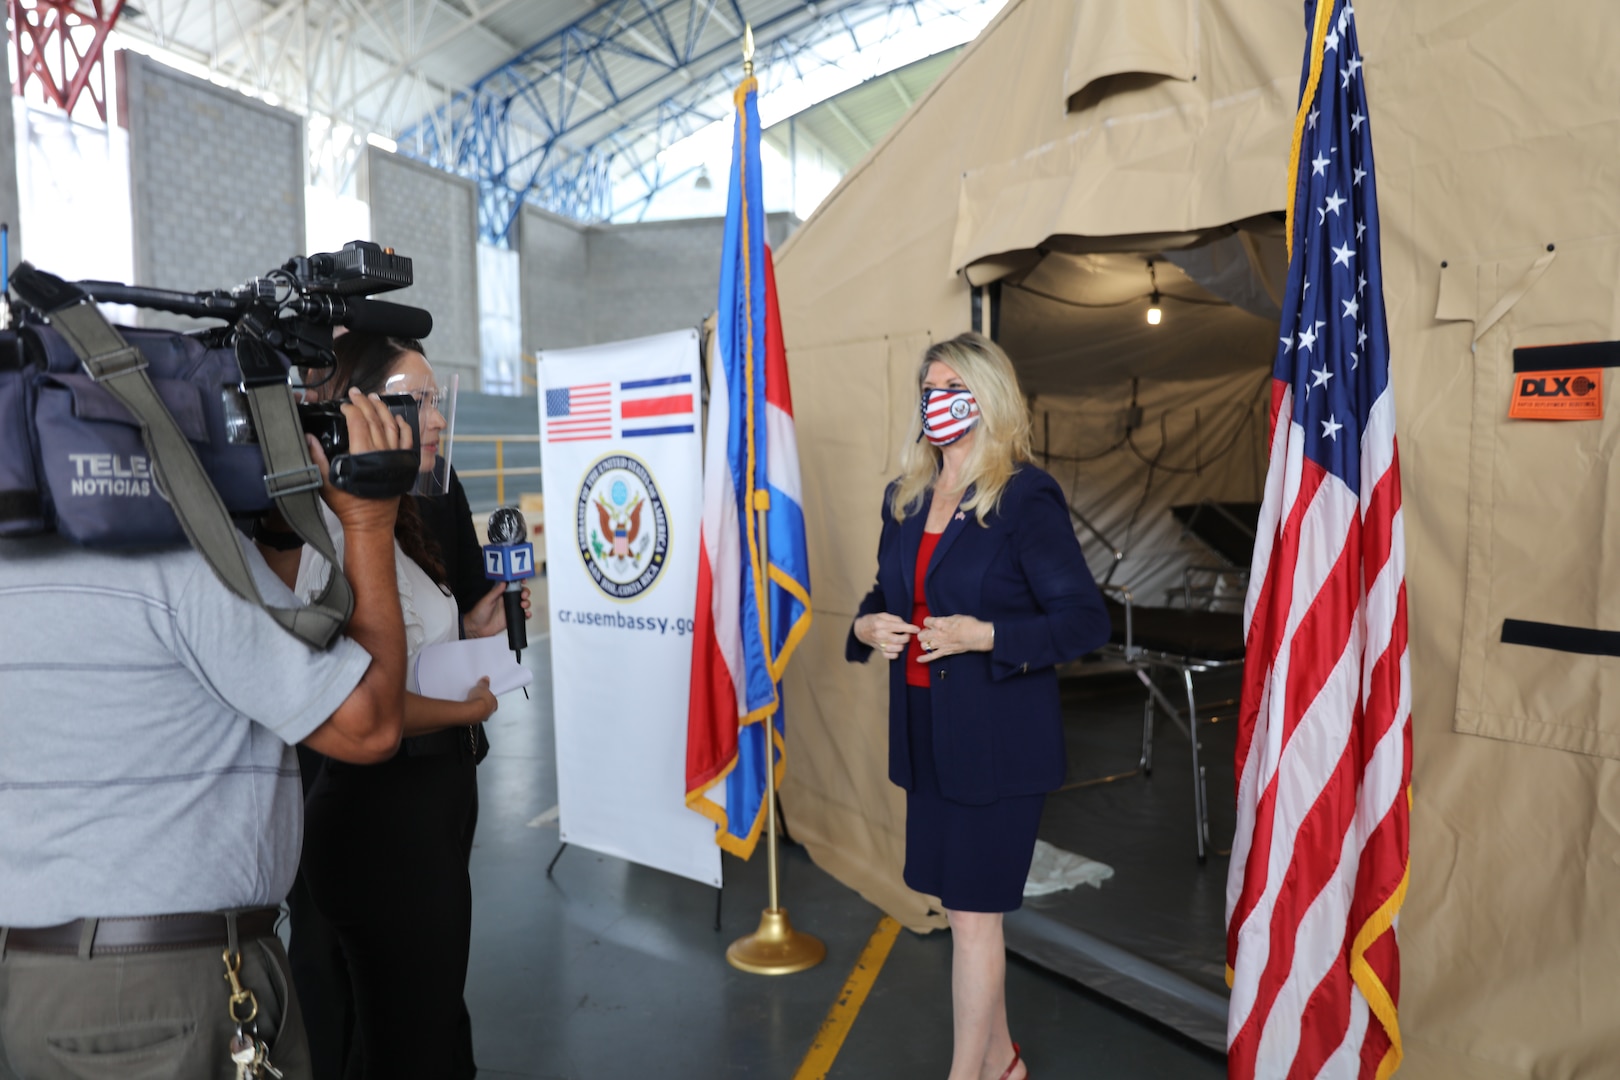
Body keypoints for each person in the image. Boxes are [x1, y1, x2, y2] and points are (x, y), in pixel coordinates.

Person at [0, 389, 413, 1077]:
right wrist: (369, 523)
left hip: (31, 981)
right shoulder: (176, 561)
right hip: (168, 996)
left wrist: (275, 537)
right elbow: (367, 727)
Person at [847, 332, 1109, 1080]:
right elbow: (881, 595)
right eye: (929, 388)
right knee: (963, 913)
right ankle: (1003, 1062)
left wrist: (985, 634)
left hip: (997, 748)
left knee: (973, 923)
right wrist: (867, 627)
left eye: (954, 386)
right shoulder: (905, 498)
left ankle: (970, 1076)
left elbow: (1086, 622)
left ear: (988, 396)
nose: (938, 401)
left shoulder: (1025, 497)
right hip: (929, 737)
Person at [268, 334, 527, 1080]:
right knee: (377, 1019)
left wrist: (477, 630)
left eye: (435, 397)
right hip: (373, 810)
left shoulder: (412, 506)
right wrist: (461, 714)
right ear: (359, 415)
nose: (438, 416)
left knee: (424, 1009)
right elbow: (363, 706)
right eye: (416, 402)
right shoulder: (333, 529)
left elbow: (414, 645)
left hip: (429, 800)